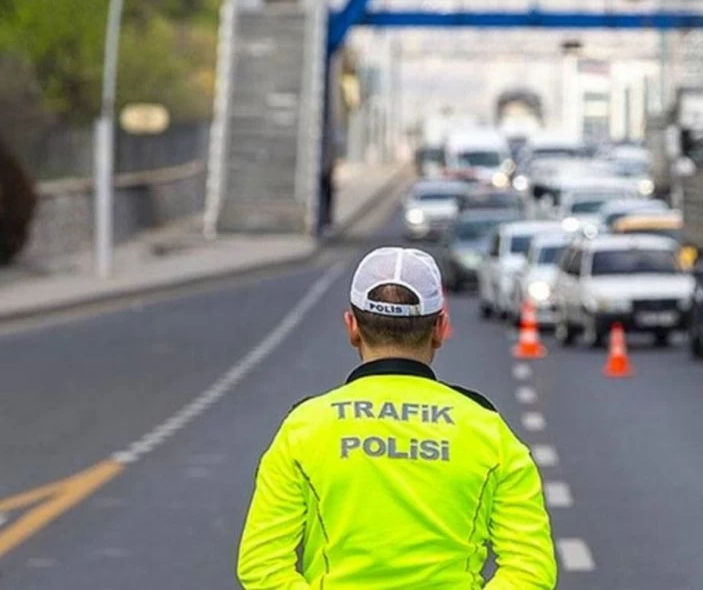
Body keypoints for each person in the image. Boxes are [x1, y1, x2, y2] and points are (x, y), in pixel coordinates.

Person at [237, 247, 557, 589]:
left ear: (352, 327)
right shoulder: (488, 430)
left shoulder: (304, 428)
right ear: (440, 328)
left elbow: (262, 565)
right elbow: (530, 569)